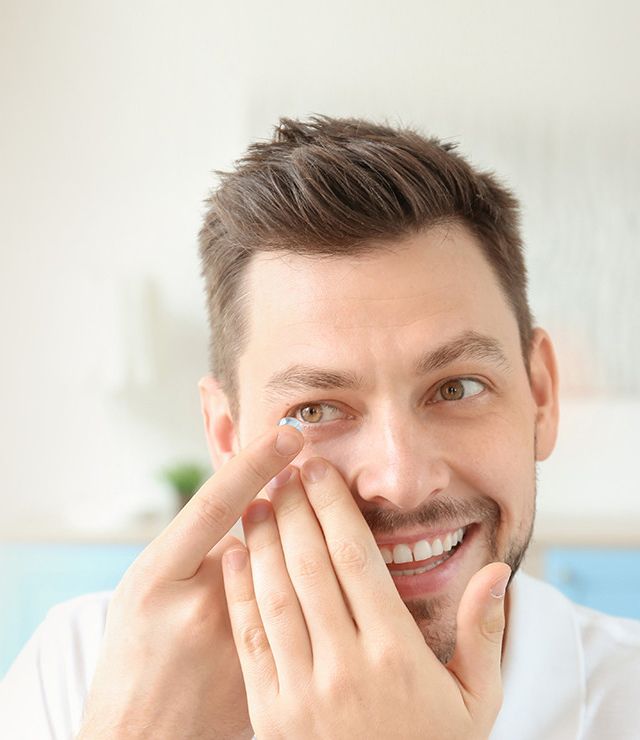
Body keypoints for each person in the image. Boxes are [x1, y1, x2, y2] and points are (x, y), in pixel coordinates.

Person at [2, 115, 640, 739]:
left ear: (541, 396)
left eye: (457, 387)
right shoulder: (83, 674)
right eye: (313, 410)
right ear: (227, 437)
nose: (402, 479)